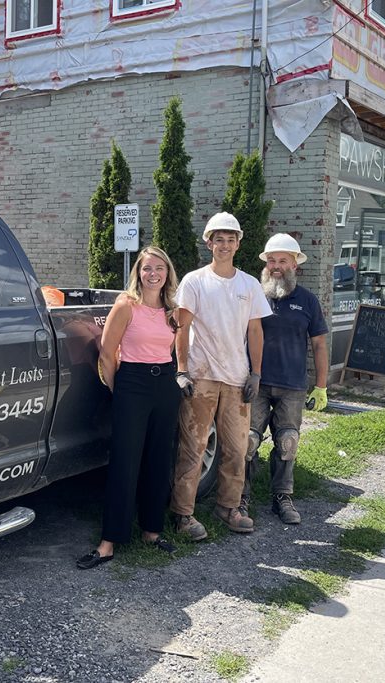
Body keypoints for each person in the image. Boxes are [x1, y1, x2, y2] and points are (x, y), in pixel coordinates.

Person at [77, 246, 182, 569]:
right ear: (138, 272)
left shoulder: (172, 309)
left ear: (168, 273)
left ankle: (152, 530)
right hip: (131, 383)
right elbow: (107, 354)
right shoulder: (126, 306)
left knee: (159, 459)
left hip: (164, 383)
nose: (153, 275)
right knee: (125, 462)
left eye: (159, 269)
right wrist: (117, 389)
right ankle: (109, 540)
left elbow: (174, 348)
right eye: (147, 269)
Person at [170, 212, 270, 540]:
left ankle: (229, 506)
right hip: (201, 376)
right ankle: (183, 513)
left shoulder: (249, 284)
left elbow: (255, 331)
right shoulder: (195, 281)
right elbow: (181, 327)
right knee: (194, 447)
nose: (224, 245)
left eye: (230, 239)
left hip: (236, 378)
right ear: (209, 243)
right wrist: (182, 370)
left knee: (236, 448)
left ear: (238, 243)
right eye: (218, 239)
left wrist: (256, 373)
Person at [242, 234, 328, 525]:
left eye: (282, 260)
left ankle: (282, 497)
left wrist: (322, 385)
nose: (276, 266)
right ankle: (241, 498)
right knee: (248, 442)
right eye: (271, 260)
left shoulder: (307, 301)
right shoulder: (254, 296)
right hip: (256, 382)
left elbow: (318, 344)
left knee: (287, 442)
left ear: (295, 264)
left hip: (292, 385)